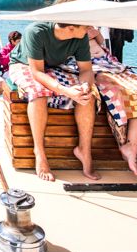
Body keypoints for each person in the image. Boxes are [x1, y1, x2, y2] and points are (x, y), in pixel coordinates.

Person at [53, 0, 137, 176]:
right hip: (87, 65)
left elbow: (102, 43)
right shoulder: (64, 29)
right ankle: (123, 144)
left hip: (107, 61)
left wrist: (96, 34)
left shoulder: (86, 24)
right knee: (112, 91)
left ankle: (132, 146)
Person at [7, 19, 99, 182]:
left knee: (87, 96)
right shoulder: (35, 32)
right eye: (86, 25)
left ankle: (84, 150)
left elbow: (86, 70)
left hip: (53, 66)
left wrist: (84, 86)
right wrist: (65, 91)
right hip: (24, 65)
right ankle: (39, 153)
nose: (90, 28)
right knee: (38, 93)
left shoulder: (81, 36)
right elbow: (37, 72)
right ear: (71, 27)